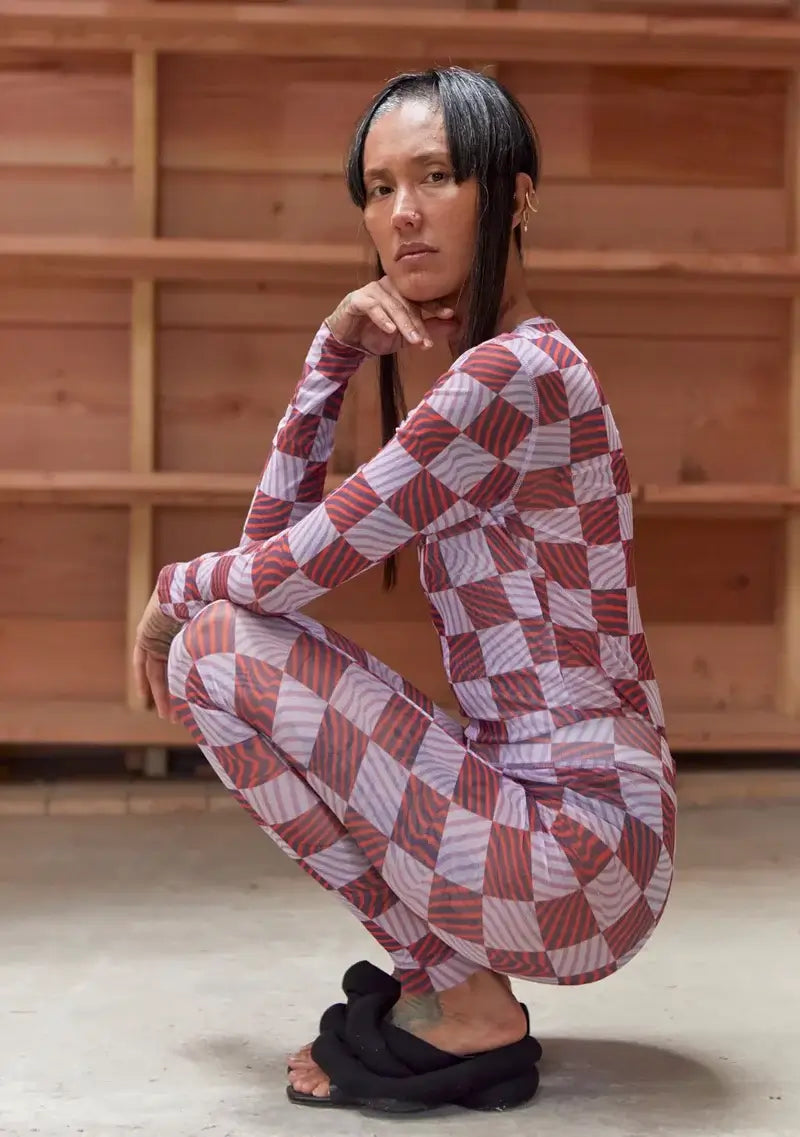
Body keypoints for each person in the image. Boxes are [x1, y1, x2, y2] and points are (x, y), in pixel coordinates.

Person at [133, 66, 676, 1115]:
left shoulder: (512, 377)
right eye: (379, 189)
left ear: (514, 196)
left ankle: (460, 997)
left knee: (206, 644)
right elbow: (268, 567)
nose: (403, 214)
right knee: (220, 643)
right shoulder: (499, 372)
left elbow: (278, 574)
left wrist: (169, 595)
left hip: (583, 852)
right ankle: (455, 987)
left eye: (436, 176)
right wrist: (332, 356)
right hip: (555, 836)